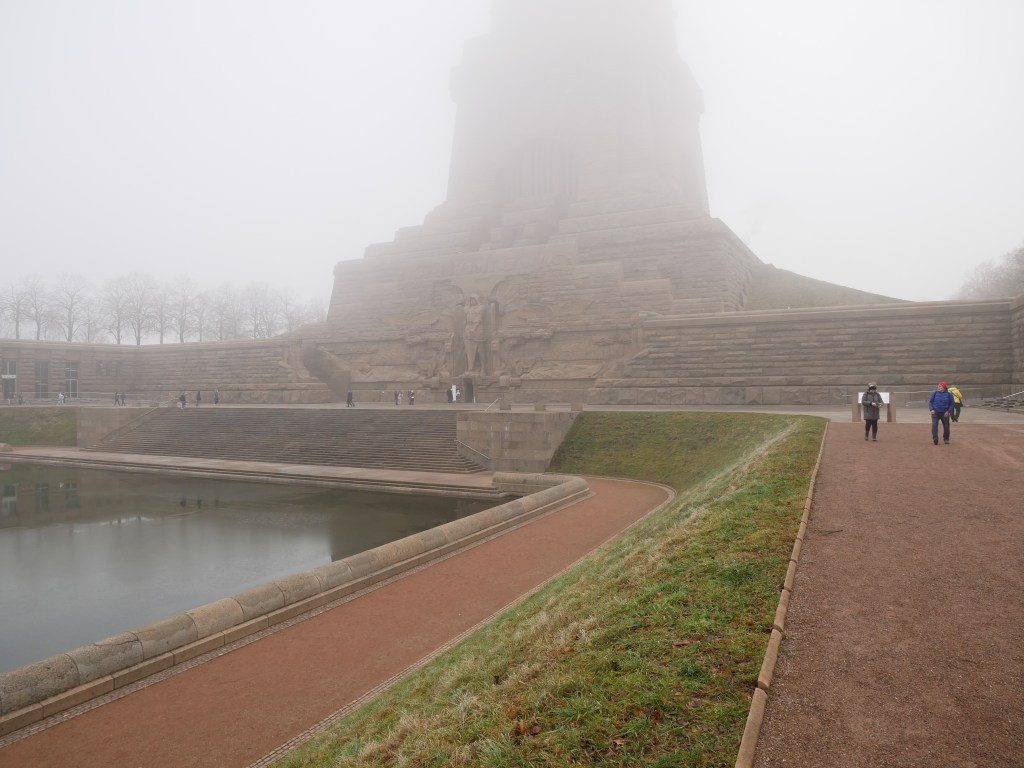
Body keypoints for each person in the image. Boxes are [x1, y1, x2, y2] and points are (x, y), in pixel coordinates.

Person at [928, 381, 955, 445]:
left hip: (945, 413)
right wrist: (931, 409)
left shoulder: (949, 394)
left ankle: (946, 439)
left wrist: (948, 411)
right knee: (934, 425)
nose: (939, 387)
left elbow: (952, 404)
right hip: (935, 413)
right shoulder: (935, 393)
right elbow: (930, 402)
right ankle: (935, 438)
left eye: (940, 386)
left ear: (944, 387)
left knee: (946, 427)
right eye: (938, 386)